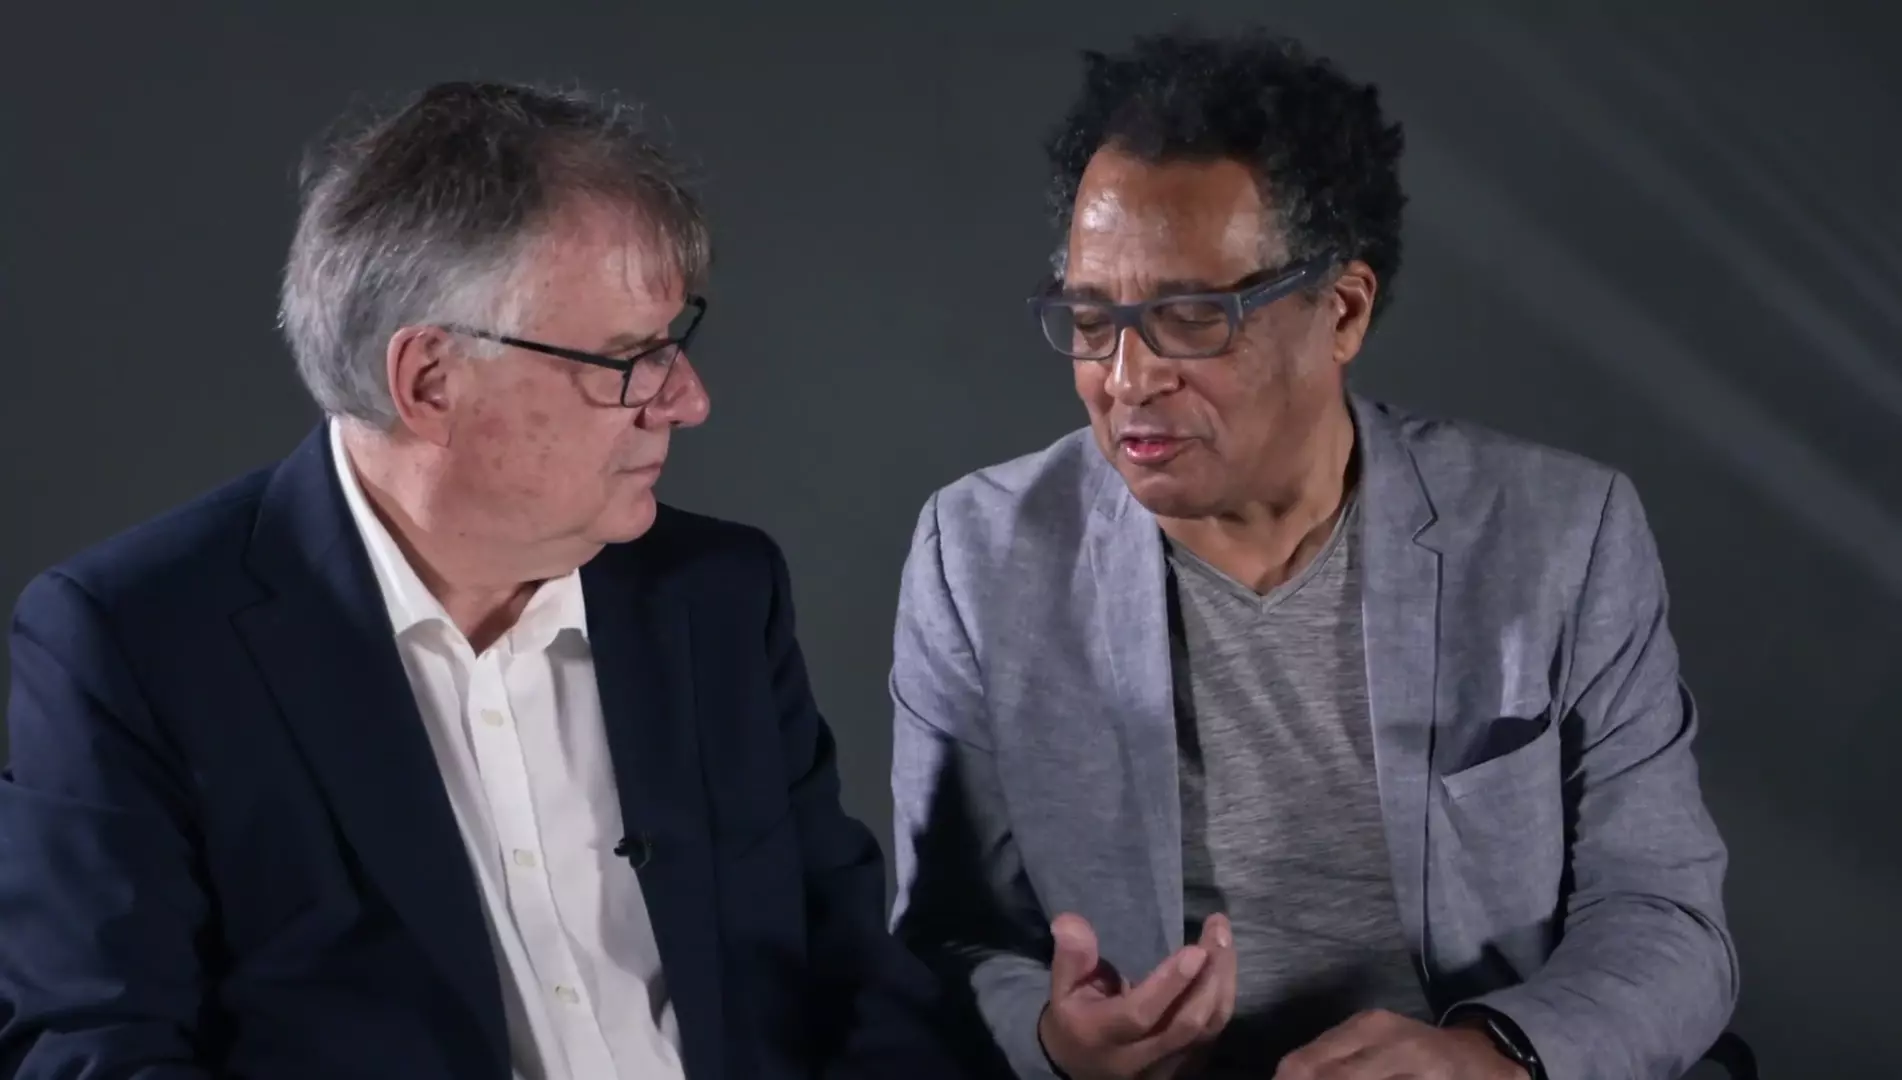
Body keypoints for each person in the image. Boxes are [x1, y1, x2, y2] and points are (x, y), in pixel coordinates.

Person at [0, 81, 960, 1080]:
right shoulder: (135, 641)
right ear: (431, 381)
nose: (687, 399)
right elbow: (97, 1052)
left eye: (676, 343)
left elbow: (859, 988)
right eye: (630, 359)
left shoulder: (717, 596)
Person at [887, 28, 1737, 1080]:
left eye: (1191, 318)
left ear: (1341, 311)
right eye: (1093, 319)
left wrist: (1489, 1057)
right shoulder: (977, 556)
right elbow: (946, 936)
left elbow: (1664, 914)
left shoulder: (1560, 534)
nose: (1128, 378)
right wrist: (1057, 1041)